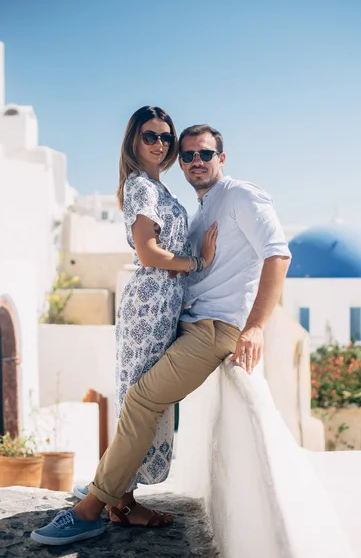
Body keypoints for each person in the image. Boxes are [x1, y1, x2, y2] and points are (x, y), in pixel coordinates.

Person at [31, 123, 291, 546]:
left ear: (221, 159)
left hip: (215, 329)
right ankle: (119, 495)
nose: (195, 162)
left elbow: (277, 255)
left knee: (142, 399)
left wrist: (256, 326)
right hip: (183, 322)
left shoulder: (242, 195)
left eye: (205, 154)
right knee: (137, 397)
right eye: (187, 155)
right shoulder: (203, 207)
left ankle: (90, 510)